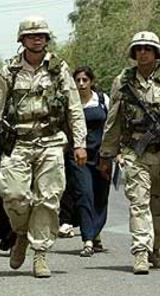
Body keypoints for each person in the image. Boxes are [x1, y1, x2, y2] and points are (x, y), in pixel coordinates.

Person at [0, 16, 87, 278]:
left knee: (48, 199)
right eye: (31, 35)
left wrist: (80, 143)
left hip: (51, 141)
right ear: (22, 39)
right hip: (18, 142)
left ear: (47, 39)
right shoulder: (9, 71)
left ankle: (40, 253)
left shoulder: (59, 69)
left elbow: (74, 108)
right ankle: (21, 234)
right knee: (14, 196)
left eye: (41, 35)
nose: (37, 38)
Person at [99, 31, 160, 274]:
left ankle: (155, 249)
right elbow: (114, 121)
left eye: (148, 48)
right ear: (134, 53)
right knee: (139, 204)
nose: (143, 52)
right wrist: (106, 154)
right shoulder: (123, 82)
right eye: (139, 48)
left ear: (156, 53)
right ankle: (140, 253)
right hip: (136, 154)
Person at [62, 66, 111, 257]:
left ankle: (96, 233)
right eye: (78, 80)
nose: (81, 84)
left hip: (101, 156)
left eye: (85, 80)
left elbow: (112, 126)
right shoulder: (69, 103)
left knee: (100, 196)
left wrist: (116, 152)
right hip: (78, 157)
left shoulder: (102, 100)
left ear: (91, 81)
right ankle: (88, 239)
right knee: (84, 194)